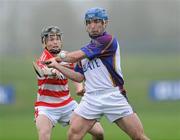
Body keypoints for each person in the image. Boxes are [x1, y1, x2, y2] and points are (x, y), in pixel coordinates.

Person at [44, 7, 150, 140]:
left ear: (105, 23)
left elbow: (74, 57)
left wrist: (58, 57)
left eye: (97, 21)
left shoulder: (107, 41)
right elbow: (79, 77)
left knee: (138, 137)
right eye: (89, 22)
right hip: (91, 99)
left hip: (113, 95)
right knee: (73, 135)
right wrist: (57, 66)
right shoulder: (85, 50)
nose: (92, 26)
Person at [33, 25, 104, 140]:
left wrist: (79, 87)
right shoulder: (42, 59)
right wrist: (53, 72)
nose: (55, 42)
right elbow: (45, 70)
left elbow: (75, 73)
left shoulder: (66, 56)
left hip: (67, 104)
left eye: (57, 39)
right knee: (44, 136)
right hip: (46, 107)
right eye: (51, 39)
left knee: (99, 132)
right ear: (44, 43)